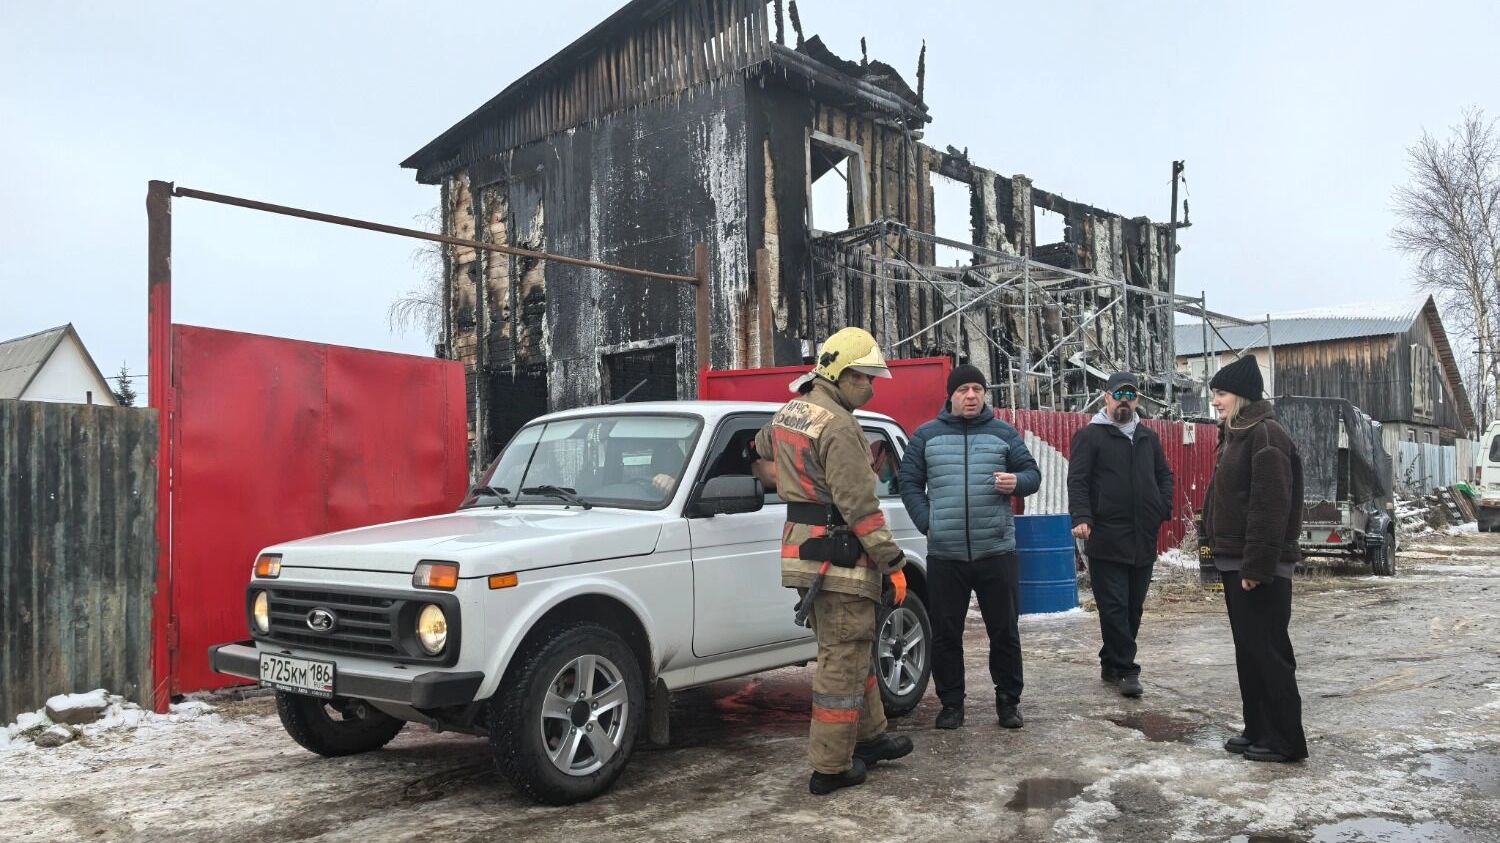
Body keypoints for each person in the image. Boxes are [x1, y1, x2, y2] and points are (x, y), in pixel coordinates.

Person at [753, 327, 914, 795]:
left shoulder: (793, 410)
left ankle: (870, 737)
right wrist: (893, 562)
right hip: (839, 558)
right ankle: (831, 766)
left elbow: (761, 447)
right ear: (842, 375)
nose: (872, 388)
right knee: (842, 661)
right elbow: (860, 507)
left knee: (853, 647)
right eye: (867, 378)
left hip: (806, 551)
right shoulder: (840, 426)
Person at [898, 364, 1041, 730]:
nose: (972, 396)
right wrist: (928, 522)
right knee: (946, 634)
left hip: (996, 550)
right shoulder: (926, 436)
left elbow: (1032, 474)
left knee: (1004, 632)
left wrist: (1016, 482)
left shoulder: (1003, 433)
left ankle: (1008, 702)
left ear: (985, 394)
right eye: (963, 390)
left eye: (978, 389)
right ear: (951, 395)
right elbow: (908, 483)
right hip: (946, 555)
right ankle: (951, 704)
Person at [1202, 355, 1309, 763]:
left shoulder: (1266, 435)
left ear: (1243, 396)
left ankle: (1286, 741)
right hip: (1238, 561)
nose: (1215, 401)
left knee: (1268, 652)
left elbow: (1270, 506)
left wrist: (1257, 566)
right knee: (1248, 651)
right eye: (1214, 393)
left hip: (1260, 566)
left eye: (1221, 393)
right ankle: (1259, 729)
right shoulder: (1238, 434)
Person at [1067, 372, 1175, 698]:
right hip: (1106, 536)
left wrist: (1161, 507)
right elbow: (1078, 480)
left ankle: (1110, 660)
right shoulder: (1090, 436)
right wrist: (1082, 517)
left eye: (1130, 395)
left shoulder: (1148, 438)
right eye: (1118, 395)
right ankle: (1128, 670)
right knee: (1113, 607)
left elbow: (1164, 476)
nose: (1124, 401)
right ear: (1106, 398)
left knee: (1132, 608)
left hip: (1143, 536)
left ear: (1137, 400)